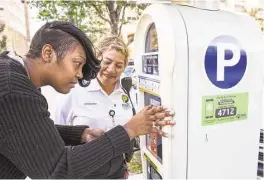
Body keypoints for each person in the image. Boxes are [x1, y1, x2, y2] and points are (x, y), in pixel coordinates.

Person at [0, 21, 175, 179]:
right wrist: (129, 129)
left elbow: (29, 131)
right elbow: (59, 170)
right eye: (77, 63)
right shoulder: (15, 91)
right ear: (48, 53)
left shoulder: (15, 78)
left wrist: (79, 134)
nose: (80, 74)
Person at [53, 35, 138, 179]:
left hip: (117, 171)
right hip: (85, 172)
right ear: (97, 59)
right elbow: (56, 134)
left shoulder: (125, 92)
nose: (111, 69)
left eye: (118, 65)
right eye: (107, 62)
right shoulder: (74, 90)